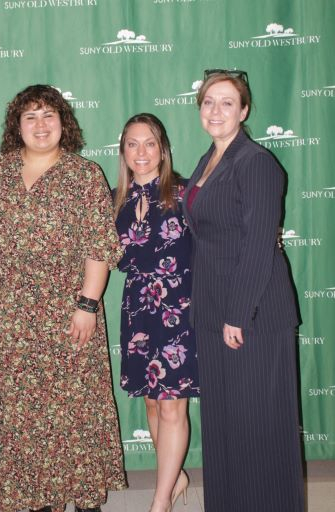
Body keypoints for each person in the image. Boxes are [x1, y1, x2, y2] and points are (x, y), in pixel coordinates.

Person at [0, 84, 126, 512]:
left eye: (49, 115)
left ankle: (84, 501)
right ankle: (37, 500)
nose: (40, 125)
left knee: (75, 411)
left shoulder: (84, 175)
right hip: (10, 317)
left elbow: (98, 246)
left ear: (64, 123)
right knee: (23, 418)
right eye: (30, 116)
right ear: (16, 126)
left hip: (69, 313)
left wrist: (87, 305)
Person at [183, 70, 305, 512]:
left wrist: (236, 314)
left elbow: (258, 244)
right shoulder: (209, 160)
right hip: (214, 314)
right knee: (225, 428)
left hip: (251, 316)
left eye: (227, 102)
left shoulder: (256, 162)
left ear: (244, 110)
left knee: (257, 428)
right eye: (208, 102)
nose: (216, 111)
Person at [113, 114, 199, 512]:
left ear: (162, 149)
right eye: (133, 143)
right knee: (150, 403)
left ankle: (161, 500)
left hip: (178, 311)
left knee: (171, 404)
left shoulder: (185, 193)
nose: (142, 152)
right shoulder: (118, 200)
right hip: (138, 310)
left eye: (149, 143)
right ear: (124, 151)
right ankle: (175, 474)